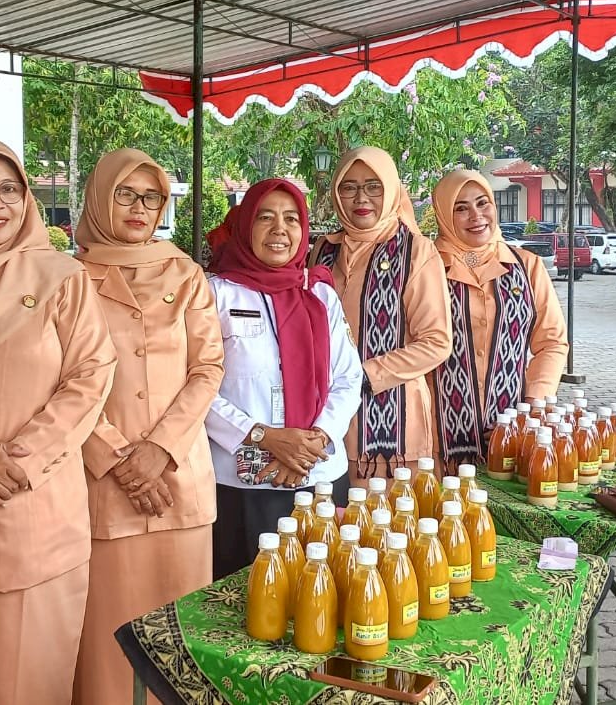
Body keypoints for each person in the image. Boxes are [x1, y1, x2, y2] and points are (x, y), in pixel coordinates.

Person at [0, 137, 117, 705]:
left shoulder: (59, 276)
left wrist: (16, 458)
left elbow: (91, 374)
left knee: (31, 672)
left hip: (34, 500)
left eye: (10, 189)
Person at [72, 149, 225, 705]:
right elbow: (61, 382)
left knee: (180, 640)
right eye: (125, 195)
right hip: (102, 481)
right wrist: (118, 459)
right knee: (109, 638)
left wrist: (159, 450)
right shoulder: (69, 277)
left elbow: (208, 368)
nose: (140, 208)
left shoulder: (185, 272)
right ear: (98, 198)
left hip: (179, 478)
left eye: (152, 197)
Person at [204, 179, 364, 577]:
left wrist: (315, 440)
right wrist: (268, 438)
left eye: (292, 218)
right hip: (242, 483)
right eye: (266, 218)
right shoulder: (215, 295)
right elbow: (198, 385)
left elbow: (348, 376)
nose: (280, 230)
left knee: (322, 594)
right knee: (246, 602)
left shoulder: (320, 294)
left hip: (320, 475)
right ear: (245, 226)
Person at [310, 147, 452, 479]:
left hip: (394, 428)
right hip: (328, 423)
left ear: (390, 189)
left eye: (374, 186)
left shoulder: (415, 250)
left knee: (388, 524)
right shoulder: (323, 249)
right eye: (349, 187)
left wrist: (364, 374)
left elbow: (436, 342)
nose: (362, 197)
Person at [428, 170, 567, 469]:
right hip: (435, 436)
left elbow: (552, 343)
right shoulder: (424, 269)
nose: (476, 216)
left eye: (482, 204)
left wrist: (531, 409)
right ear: (443, 214)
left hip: (509, 433)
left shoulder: (526, 266)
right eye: (461, 208)